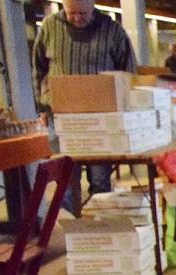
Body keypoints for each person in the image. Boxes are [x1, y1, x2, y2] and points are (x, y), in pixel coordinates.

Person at [32, 0, 136, 196]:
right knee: (65, 181)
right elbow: (38, 69)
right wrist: (42, 107)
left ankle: (102, 222)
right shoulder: (49, 27)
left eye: (83, 13)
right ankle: (70, 222)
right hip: (60, 115)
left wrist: (125, 109)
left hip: (100, 117)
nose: (77, 18)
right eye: (72, 13)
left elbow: (128, 71)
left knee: (100, 179)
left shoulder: (112, 30)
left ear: (92, 7)